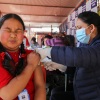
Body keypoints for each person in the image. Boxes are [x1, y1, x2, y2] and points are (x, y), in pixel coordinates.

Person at [36, 11, 100, 100]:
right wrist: (63, 67)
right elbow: (81, 66)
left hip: (93, 95)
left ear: (92, 28)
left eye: (79, 27)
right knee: (55, 94)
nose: (77, 31)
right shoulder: (85, 44)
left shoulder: (96, 47)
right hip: (82, 92)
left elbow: (81, 56)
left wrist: (49, 52)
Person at [0, 13, 46, 100]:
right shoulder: (32, 60)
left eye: (18, 31)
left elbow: (40, 86)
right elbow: (7, 95)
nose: (13, 35)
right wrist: (31, 66)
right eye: (8, 30)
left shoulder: (32, 55)